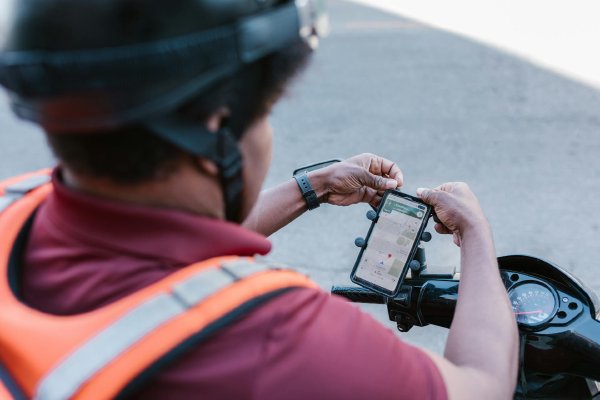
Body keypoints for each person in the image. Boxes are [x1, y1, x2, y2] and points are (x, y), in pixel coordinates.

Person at [0, 0, 518, 399]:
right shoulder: (276, 335)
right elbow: (478, 386)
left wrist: (308, 188)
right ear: (215, 131)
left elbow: (159, 265)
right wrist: (475, 236)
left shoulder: (13, 205)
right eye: (264, 114)